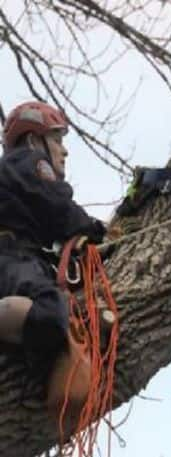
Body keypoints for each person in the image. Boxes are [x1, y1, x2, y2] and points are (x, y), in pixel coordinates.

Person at [0, 101, 106, 380]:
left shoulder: (12, 180)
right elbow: (58, 206)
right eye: (57, 140)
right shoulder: (29, 160)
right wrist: (94, 230)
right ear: (35, 140)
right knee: (50, 310)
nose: (65, 150)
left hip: (14, 258)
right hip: (10, 257)